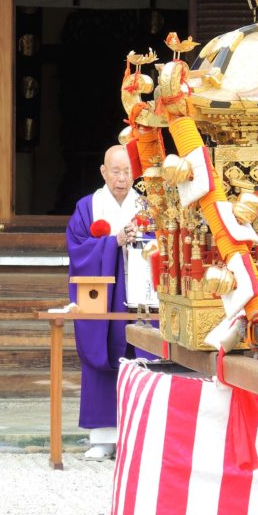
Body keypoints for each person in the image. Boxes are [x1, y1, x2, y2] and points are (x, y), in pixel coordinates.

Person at [66, 145, 150, 461]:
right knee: (101, 360)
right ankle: (102, 437)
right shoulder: (88, 207)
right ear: (103, 172)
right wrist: (113, 242)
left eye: (128, 171)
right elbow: (77, 249)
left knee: (141, 358)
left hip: (140, 296)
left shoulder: (147, 206)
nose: (122, 178)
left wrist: (143, 237)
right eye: (115, 171)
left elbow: (164, 243)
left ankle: (138, 437)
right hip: (102, 299)